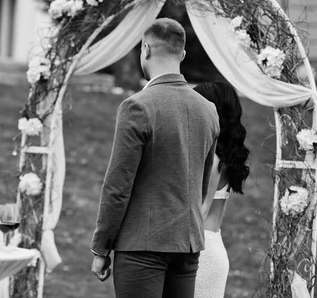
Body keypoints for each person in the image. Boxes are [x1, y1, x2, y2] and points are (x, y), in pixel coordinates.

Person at [90, 18, 220, 298]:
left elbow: (117, 186)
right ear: (182, 54)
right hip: (187, 246)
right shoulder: (208, 110)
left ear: (145, 49)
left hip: (142, 247)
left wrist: (101, 248)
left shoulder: (137, 106)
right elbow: (201, 181)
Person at [193, 82, 250, 298]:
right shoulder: (224, 158)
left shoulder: (212, 159)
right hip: (214, 245)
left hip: (200, 254)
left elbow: (200, 213)